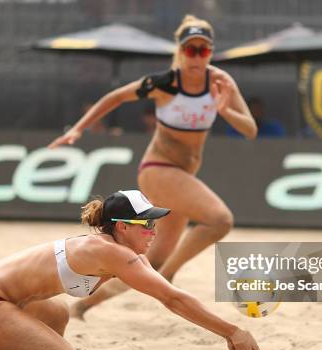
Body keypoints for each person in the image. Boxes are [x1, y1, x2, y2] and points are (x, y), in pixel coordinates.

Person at [48, 15, 257, 319]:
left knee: (151, 263)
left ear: (210, 52)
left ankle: (83, 306)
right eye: (190, 50)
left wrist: (225, 110)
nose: (196, 57)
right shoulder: (166, 83)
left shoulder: (220, 83)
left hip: (182, 176)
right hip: (158, 169)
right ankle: (169, 279)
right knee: (220, 220)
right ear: (180, 51)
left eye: (203, 50)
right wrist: (77, 129)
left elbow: (250, 129)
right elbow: (115, 97)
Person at [0, 190, 260, 350]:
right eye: (148, 224)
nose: (154, 231)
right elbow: (172, 299)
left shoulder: (121, 250)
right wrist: (232, 331)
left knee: (58, 314)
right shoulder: (110, 253)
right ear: (123, 227)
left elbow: (167, 290)